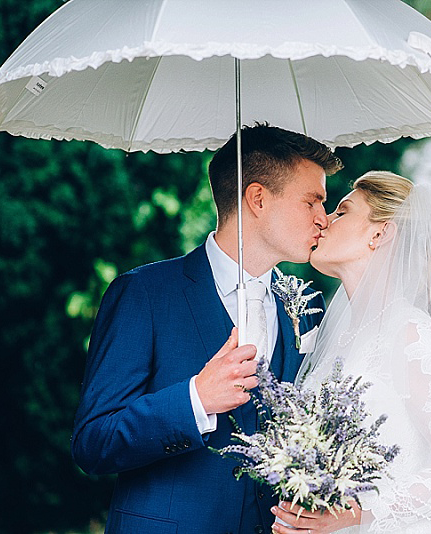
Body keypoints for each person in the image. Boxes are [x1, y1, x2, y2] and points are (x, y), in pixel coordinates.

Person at [71, 123, 347, 534]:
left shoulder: (306, 308)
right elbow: (93, 443)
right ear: (257, 198)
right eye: (312, 202)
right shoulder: (144, 294)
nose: (324, 220)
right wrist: (194, 399)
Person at [271, 172, 431, 533]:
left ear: (379, 233)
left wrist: (361, 513)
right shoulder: (335, 339)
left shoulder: (411, 335)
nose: (324, 220)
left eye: (342, 211)